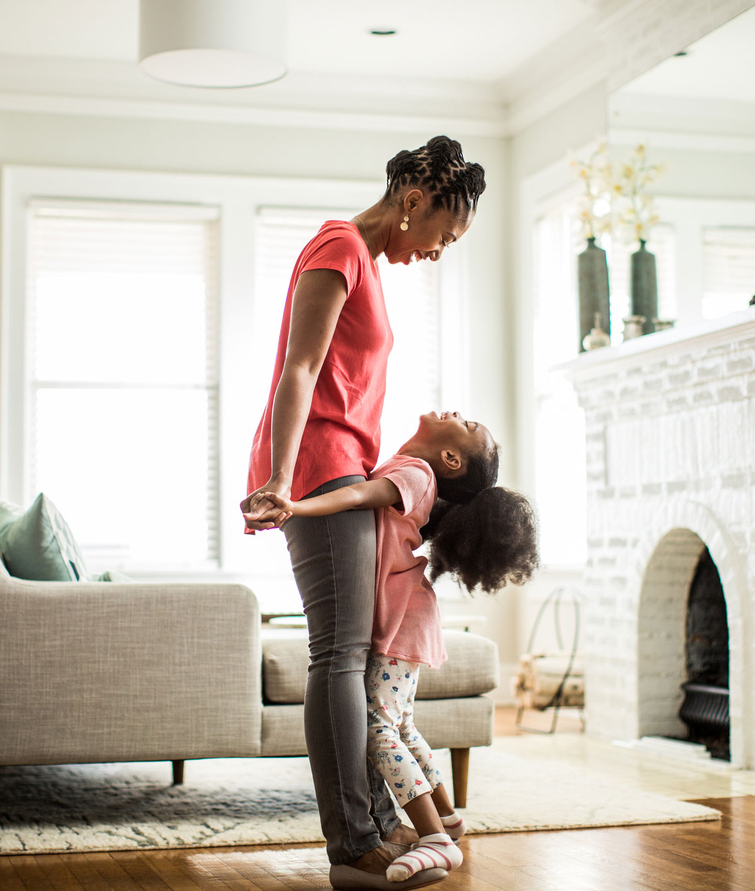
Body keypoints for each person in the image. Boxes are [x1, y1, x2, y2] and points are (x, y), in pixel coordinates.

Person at [241, 137, 486, 891]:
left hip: (337, 467)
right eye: (443, 235)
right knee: (340, 658)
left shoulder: (365, 263)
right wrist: (284, 479)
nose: (439, 251)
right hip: (318, 468)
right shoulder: (340, 244)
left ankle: (370, 825)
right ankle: (352, 838)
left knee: (345, 656)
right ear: (414, 203)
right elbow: (300, 368)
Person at [247, 410, 539, 884]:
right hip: (408, 617)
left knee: (379, 728)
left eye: (467, 426)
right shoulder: (415, 469)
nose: (456, 415)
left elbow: (360, 495)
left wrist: (296, 506)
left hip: (403, 620)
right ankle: (445, 816)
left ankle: (435, 839)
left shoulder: (416, 473)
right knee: (398, 723)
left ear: (449, 458)